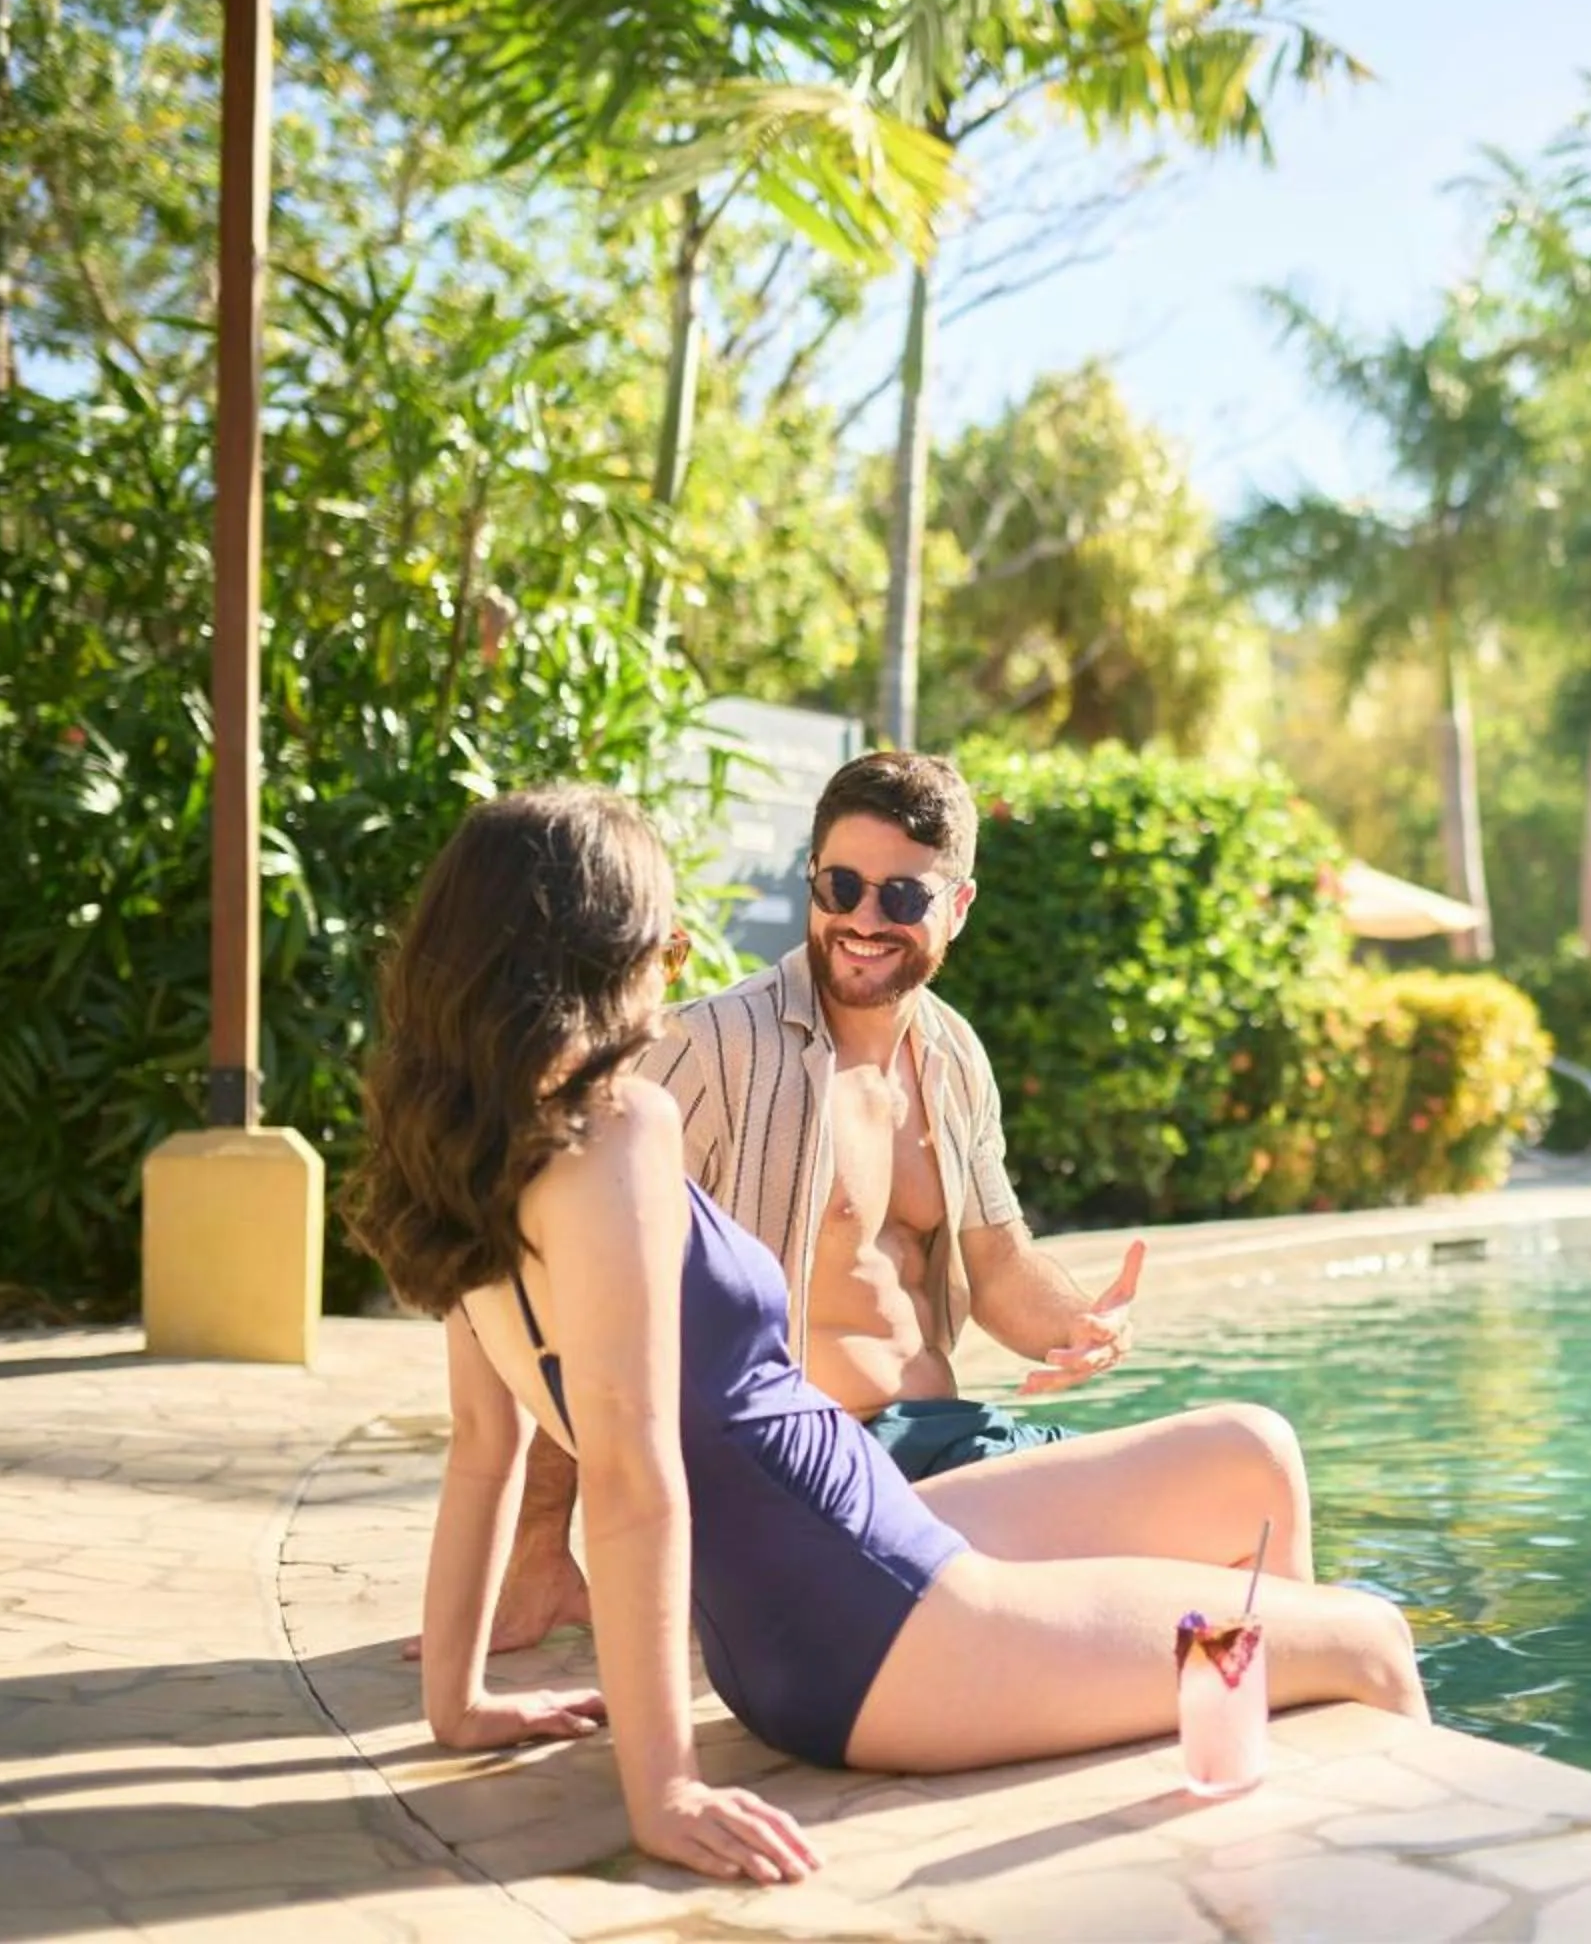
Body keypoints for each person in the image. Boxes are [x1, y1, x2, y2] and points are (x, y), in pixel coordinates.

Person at [349, 786, 1426, 1881]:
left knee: (1249, 1455)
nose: (671, 961)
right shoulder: (621, 1125)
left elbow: (486, 1441)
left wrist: (460, 1703)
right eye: (662, 936)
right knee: (1368, 1637)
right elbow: (629, 1475)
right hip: (874, 1618)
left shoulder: (470, 1151)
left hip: (845, 1555)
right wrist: (664, 1788)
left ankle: (1242, 1803)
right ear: (595, 947)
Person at [454, 751, 1276, 1655]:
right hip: (816, 1480)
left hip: (947, 1446)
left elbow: (998, 1262)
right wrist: (539, 1546)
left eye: (903, 898)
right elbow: (591, 1303)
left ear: (957, 908)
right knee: (1228, 1497)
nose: (862, 920)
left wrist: (1080, 1325)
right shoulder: (710, 1048)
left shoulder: (955, 1057)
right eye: (839, 886)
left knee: (1229, 1530)